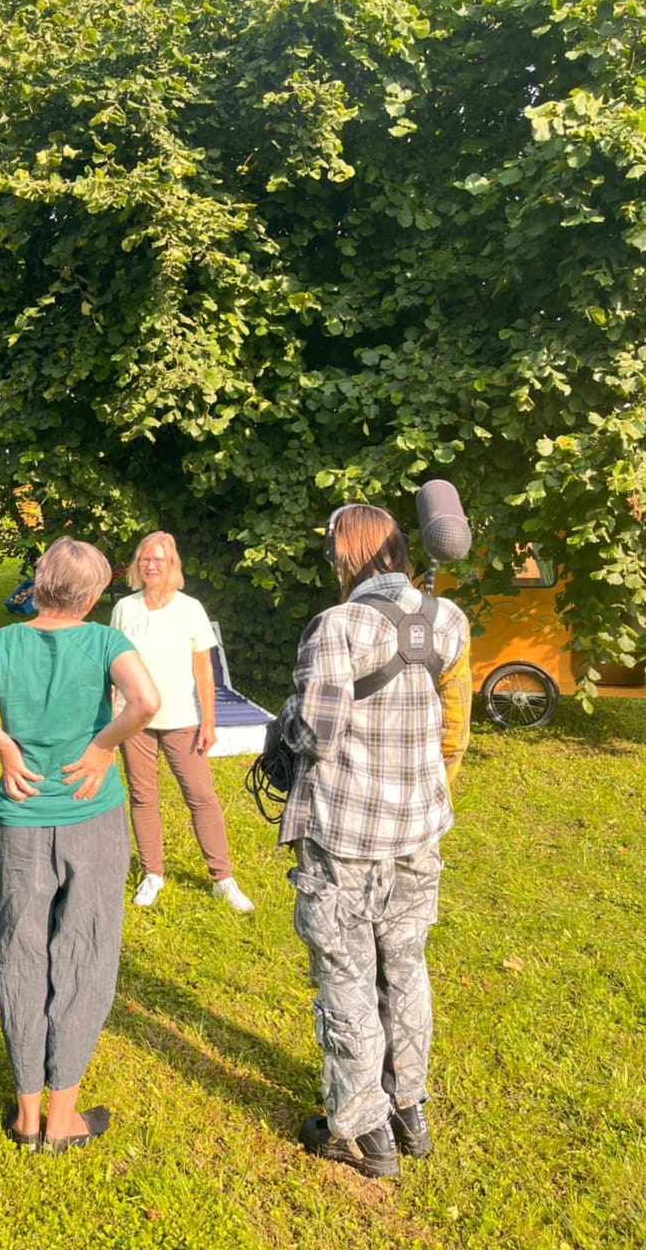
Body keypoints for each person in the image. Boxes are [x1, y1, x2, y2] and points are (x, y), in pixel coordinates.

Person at [0, 538, 159, 1153]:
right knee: (85, 953)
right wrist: (103, 746)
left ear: (37, 585)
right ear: (92, 595)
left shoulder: (0, 643)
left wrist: (5, 745)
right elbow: (146, 702)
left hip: (22, 817)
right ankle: (62, 1119)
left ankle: (27, 1115)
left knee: (21, 952)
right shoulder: (106, 642)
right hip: (93, 814)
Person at [278, 504, 471, 1179]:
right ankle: (409, 1109)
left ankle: (362, 1132)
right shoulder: (448, 619)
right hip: (418, 831)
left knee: (346, 975)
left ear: (346, 553)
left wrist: (286, 718)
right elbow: (452, 720)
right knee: (406, 966)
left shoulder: (337, 626)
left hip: (346, 835)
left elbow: (315, 734)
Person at [110, 531, 254, 913]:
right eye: (145, 559)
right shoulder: (125, 608)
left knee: (201, 797)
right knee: (142, 796)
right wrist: (111, 717)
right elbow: (114, 666)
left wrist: (209, 722)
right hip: (134, 718)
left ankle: (222, 879)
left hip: (181, 719)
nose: (151, 565)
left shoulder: (190, 609)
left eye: (158, 559)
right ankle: (152, 873)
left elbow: (204, 671)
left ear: (172, 565)